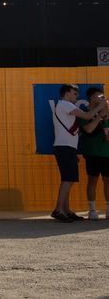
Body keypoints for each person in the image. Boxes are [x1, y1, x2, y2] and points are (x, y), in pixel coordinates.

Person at [51, 84, 99, 221]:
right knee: (68, 179)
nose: (77, 96)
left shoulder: (64, 105)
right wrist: (101, 105)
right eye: (74, 93)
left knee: (68, 179)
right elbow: (88, 115)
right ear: (66, 94)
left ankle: (66, 210)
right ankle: (58, 210)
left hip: (67, 147)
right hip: (64, 147)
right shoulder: (65, 105)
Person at [79, 87, 109, 220]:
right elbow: (89, 129)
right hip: (92, 152)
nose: (102, 99)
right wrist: (99, 116)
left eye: (103, 97)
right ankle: (92, 210)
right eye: (99, 96)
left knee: (107, 180)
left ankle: (108, 209)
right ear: (91, 98)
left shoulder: (107, 112)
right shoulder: (85, 113)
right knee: (92, 180)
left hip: (107, 153)